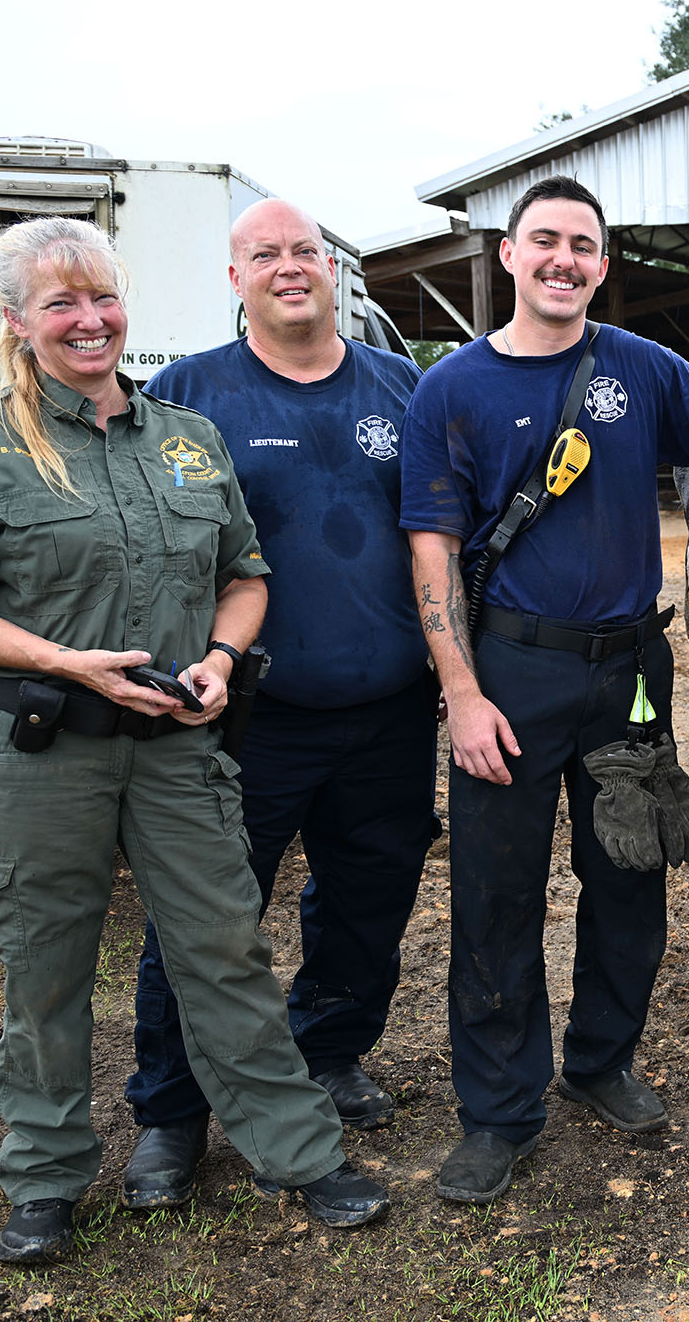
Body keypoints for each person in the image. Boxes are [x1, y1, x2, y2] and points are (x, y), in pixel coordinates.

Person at [0, 218, 388, 1265]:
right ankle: (46, 1178)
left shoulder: (182, 437)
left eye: (101, 298)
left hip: (173, 746)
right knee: (46, 972)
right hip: (36, 748)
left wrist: (215, 657)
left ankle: (296, 1150)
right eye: (59, 304)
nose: (88, 320)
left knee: (225, 951)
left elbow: (246, 575)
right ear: (18, 323)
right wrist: (62, 661)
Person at [400, 175, 689, 1206]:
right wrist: (459, 691)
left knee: (630, 871)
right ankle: (499, 1113)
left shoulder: (644, 368)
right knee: (496, 896)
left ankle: (600, 1061)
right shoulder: (449, 389)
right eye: (543, 241)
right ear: (508, 254)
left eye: (582, 246)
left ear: (601, 262)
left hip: (628, 671)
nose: (563, 260)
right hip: (509, 667)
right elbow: (431, 549)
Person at [116, 200, 438, 1209]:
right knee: (204, 916)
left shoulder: (400, 386)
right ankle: (171, 1112)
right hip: (245, 714)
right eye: (267, 254)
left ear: (332, 271)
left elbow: (438, 534)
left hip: (389, 709)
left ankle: (330, 1050)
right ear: (235, 276)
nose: (289, 267)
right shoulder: (188, 395)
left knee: (368, 899)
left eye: (305, 252)